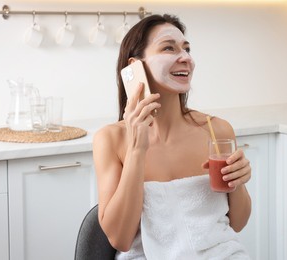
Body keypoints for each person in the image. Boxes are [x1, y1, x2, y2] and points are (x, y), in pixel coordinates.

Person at [93, 13, 252, 259]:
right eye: (169, 48)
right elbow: (121, 239)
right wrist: (137, 149)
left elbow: (237, 223)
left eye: (187, 49)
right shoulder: (111, 140)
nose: (186, 58)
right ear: (135, 65)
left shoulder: (216, 130)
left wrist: (238, 183)